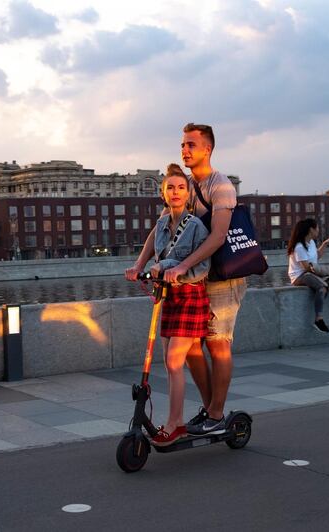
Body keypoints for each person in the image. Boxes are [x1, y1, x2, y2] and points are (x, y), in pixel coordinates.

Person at [127, 123, 241, 436]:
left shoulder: (221, 186)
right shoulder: (185, 184)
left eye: (191, 144)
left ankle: (216, 413)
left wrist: (180, 267)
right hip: (196, 279)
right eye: (183, 145)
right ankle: (211, 410)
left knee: (218, 345)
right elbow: (162, 225)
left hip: (224, 276)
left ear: (208, 149)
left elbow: (218, 237)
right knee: (190, 349)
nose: (185, 150)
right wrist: (140, 262)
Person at [128, 164, 210, 446]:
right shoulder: (162, 224)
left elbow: (203, 266)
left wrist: (170, 267)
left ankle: (175, 424)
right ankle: (178, 420)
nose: (175, 192)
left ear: (188, 194)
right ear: (163, 194)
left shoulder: (196, 226)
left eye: (181, 188)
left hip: (190, 295)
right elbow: (153, 248)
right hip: (169, 296)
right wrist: (139, 267)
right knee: (169, 362)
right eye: (170, 188)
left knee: (175, 361)